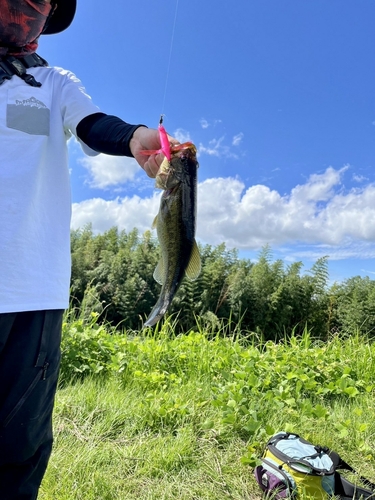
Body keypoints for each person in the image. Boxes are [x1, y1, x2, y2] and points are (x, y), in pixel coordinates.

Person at [0, 1, 177, 498]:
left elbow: (95, 125)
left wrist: (137, 138)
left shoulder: (54, 84)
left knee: (18, 450)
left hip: (32, 294)